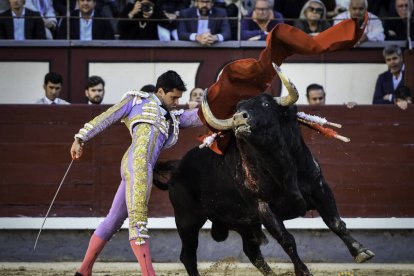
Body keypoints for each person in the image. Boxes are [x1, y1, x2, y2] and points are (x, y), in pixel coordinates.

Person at [71, 70, 203, 276]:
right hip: (138, 164)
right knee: (139, 223)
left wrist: (224, 107)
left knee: (113, 220)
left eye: (179, 98)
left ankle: (83, 271)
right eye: (173, 97)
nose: (177, 102)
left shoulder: (173, 117)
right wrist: (80, 138)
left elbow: (199, 117)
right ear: (160, 91)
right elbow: (107, 117)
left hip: (138, 164)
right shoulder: (136, 100)